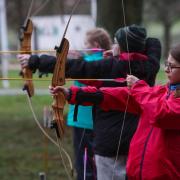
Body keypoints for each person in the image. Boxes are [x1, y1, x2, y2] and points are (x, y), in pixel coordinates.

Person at [18, 24, 161, 180]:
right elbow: (154, 43)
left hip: (108, 143)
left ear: (122, 46)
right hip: (138, 140)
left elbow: (75, 67)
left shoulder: (110, 66)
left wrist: (36, 61)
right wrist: (126, 51)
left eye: (116, 43)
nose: (113, 45)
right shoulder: (150, 65)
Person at [50, 43, 180, 180]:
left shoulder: (156, 96)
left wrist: (138, 87)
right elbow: (121, 97)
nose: (166, 69)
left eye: (172, 66)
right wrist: (73, 94)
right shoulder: (162, 92)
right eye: (166, 63)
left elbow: (161, 114)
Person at [18, 27, 112, 180]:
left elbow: (66, 67)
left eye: (85, 43)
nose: (83, 46)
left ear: (95, 44)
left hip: (84, 123)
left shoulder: (89, 64)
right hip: (96, 124)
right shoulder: (106, 61)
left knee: (85, 167)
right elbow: (70, 63)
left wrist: (33, 61)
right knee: (95, 166)